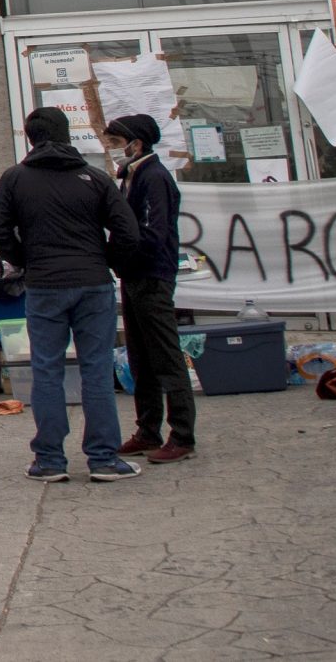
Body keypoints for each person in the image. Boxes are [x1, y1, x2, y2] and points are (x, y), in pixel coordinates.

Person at [0, 106, 144, 482]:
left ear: (29, 137)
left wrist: (26, 260)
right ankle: (104, 459)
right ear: (68, 134)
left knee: (47, 371)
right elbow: (129, 232)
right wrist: (104, 260)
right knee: (97, 371)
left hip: (44, 286)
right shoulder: (95, 178)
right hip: (93, 284)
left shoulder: (15, 179)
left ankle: (50, 461)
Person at [104, 113, 195, 464]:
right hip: (133, 275)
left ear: (136, 143)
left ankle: (183, 434)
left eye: (116, 143)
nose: (113, 150)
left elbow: (154, 233)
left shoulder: (155, 177)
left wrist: (121, 254)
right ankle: (148, 429)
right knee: (140, 356)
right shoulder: (131, 176)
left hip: (152, 275)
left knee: (166, 356)